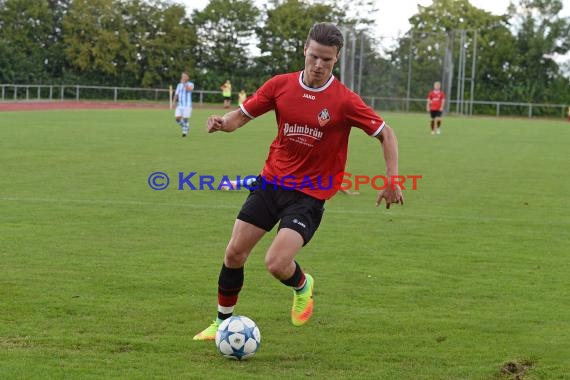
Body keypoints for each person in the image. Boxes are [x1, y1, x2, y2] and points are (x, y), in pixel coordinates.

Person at [193, 23, 403, 341]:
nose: (319, 65)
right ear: (305, 50)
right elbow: (242, 115)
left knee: (277, 263)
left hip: (309, 194)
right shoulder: (281, 85)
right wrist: (223, 123)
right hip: (271, 182)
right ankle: (222, 322)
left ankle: (303, 285)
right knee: (235, 252)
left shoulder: (344, 100)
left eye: (327, 60)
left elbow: (386, 133)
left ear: (336, 60)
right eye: (315, 56)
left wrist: (392, 179)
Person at [173, 72, 194, 137]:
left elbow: (189, 90)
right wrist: (174, 101)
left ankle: (185, 130)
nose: (183, 77)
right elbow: (176, 94)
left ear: (188, 77)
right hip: (180, 105)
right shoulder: (179, 85)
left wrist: (184, 84)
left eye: (184, 76)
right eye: (182, 76)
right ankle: (186, 127)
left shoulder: (191, 84)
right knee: (177, 118)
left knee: (185, 119)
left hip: (187, 105)